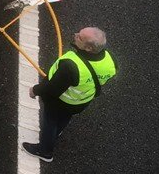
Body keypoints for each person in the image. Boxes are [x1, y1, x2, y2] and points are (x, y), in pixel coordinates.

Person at [24, 27, 116, 163]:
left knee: (50, 122)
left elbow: (52, 88)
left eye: (80, 37)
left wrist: (35, 90)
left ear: (89, 48)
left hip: (60, 102)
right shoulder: (110, 60)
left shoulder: (71, 65)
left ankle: (45, 151)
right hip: (82, 101)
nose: (75, 35)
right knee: (65, 117)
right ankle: (58, 132)